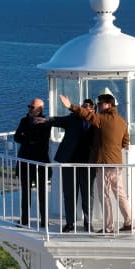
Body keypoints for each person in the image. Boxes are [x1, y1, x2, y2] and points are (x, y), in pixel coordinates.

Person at [58, 92, 131, 233]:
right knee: (120, 194)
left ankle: (109, 228)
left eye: (100, 103)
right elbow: (125, 142)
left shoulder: (102, 119)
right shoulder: (122, 121)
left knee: (105, 196)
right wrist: (112, 148)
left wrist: (70, 106)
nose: (98, 106)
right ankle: (129, 222)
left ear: (108, 105)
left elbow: (88, 115)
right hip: (117, 164)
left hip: (104, 164)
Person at [46, 98, 96, 233]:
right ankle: (70, 223)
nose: (84, 107)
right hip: (69, 162)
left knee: (88, 194)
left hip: (89, 164)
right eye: (83, 105)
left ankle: (88, 222)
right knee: (69, 194)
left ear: (93, 110)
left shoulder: (96, 121)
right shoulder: (72, 118)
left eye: (88, 106)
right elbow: (58, 120)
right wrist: (45, 119)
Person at [13, 97, 51, 226]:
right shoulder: (24, 121)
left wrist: (27, 139)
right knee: (25, 192)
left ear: (40, 109)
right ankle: (24, 219)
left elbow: (42, 140)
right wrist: (29, 140)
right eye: (29, 106)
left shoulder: (46, 122)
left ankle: (44, 220)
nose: (29, 109)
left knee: (42, 192)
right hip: (25, 161)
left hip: (40, 162)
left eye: (32, 107)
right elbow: (16, 137)